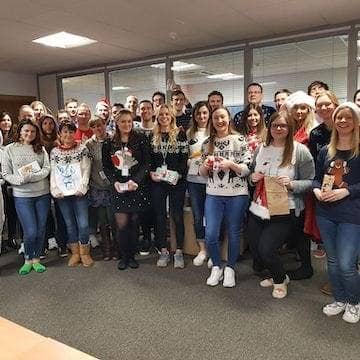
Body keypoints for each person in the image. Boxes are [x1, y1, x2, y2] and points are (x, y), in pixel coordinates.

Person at [248, 112, 314, 298]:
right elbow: (252, 174)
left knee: (267, 249)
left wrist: (292, 184)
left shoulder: (299, 150)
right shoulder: (261, 148)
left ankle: (279, 279)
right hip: (259, 208)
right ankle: (277, 273)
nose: (278, 128)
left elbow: (311, 181)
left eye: (283, 126)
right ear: (269, 127)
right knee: (256, 249)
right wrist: (252, 179)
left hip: (286, 209)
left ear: (289, 128)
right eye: (275, 125)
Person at [313, 102, 360, 323]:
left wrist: (346, 192)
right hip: (326, 213)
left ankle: (354, 301)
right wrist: (315, 190)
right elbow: (316, 179)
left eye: (348, 117)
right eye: (339, 117)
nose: (342, 121)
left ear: (356, 121)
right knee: (332, 261)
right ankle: (340, 299)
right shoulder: (326, 151)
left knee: (346, 264)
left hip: (351, 215)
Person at [199, 107, 252, 287]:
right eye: (215, 118)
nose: (219, 121)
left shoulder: (239, 140)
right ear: (211, 121)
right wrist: (206, 165)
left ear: (228, 118)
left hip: (237, 194)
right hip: (213, 194)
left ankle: (230, 268)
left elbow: (247, 169)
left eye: (222, 117)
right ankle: (216, 266)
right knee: (211, 233)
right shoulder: (207, 143)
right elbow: (202, 173)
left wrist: (231, 165)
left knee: (234, 232)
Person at [102, 109, 151, 270]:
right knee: (122, 225)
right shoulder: (109, 142)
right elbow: (107, 167)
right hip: (118, 188)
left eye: (129, 121)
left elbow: (146, 164)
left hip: (136, 186)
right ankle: (124, 256)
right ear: (117, 123)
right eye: (123, 121)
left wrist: (135, 180)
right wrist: (114, 182)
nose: (127, 124)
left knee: (134, 223)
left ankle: (132, 256)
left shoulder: (141, 139)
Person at [2, 119, 51, 275]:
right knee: (30, 231)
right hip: (22, 196)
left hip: (42, 194)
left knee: (41, 228)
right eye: (26, 131)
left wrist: (32, 177)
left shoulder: (40, 148)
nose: (30, 134)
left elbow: (46, 168)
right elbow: (5, 173)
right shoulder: (9, 149)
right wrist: (20, 180)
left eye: (33, 131)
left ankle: (36, 258)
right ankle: (28, 259)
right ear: (20, 132)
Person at [150, 104, 188, 268]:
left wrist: (177, 175)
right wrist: (151, 173)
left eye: (167, 114)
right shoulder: (152, 135)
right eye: (161, 114)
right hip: (158, 182)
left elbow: (184, 158)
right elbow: (149, 160)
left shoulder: (180, 134)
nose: (164, 117)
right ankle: (163, 250)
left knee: (177, 216)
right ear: (157, 117)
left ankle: (178, 251)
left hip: (176, 182)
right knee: (159, 217)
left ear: (172, 116)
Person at [50, 121, 93, 267]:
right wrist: (55, 189)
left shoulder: (82, 149)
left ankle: (85, 253)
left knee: (84, 224)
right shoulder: (55, 152)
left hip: (79, 193)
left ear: (74, 133)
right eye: (64, 132)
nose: (68, 135)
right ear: (60, 134)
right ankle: (75, 253)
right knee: (69, 224)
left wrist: (83, 186)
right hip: (63, 195)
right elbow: (53, 173)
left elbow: (87, 169)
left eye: (70, 131)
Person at [86, 116, 115, 261]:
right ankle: (107, 250)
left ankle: (117, 248)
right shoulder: (88, 145)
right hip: (97, 187)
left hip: (113, 187)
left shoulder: (113, 140)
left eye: (100, 125)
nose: (98, 128)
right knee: (103, 221)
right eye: (94, 126)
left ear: (105, 124)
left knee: (113, 219)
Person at [39, 114, 68, 257]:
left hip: (60, 183)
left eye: (51, 123)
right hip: (42, 184)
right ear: (41, 126)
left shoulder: (60, 142)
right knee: (44, 216)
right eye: (45, 123)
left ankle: (63, 244)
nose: (48, 126)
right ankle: (43, 245)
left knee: (61, 215)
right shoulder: (37, 142)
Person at [187, 101, 211, 266]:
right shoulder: (189, 133)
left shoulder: (216, 132)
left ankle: (213, 249)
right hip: (194, 181)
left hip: (213, 181)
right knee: (197, 216)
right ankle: (202, 249)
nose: (202, 116)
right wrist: (190, 162)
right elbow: (184, 156)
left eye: (204, 113)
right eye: (198, 114)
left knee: (213, 217)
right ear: (194, 116)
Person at [134, 100, 155, 255]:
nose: (145, 111)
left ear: (153, 111)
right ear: (138, 111)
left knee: (157, 210)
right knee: (143, 210)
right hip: (140, 176)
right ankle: (146, 239)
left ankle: (159, 240)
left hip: (158, 175)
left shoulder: (159, 128)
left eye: (148, 108)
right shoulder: (134, 130)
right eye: (142, 109)